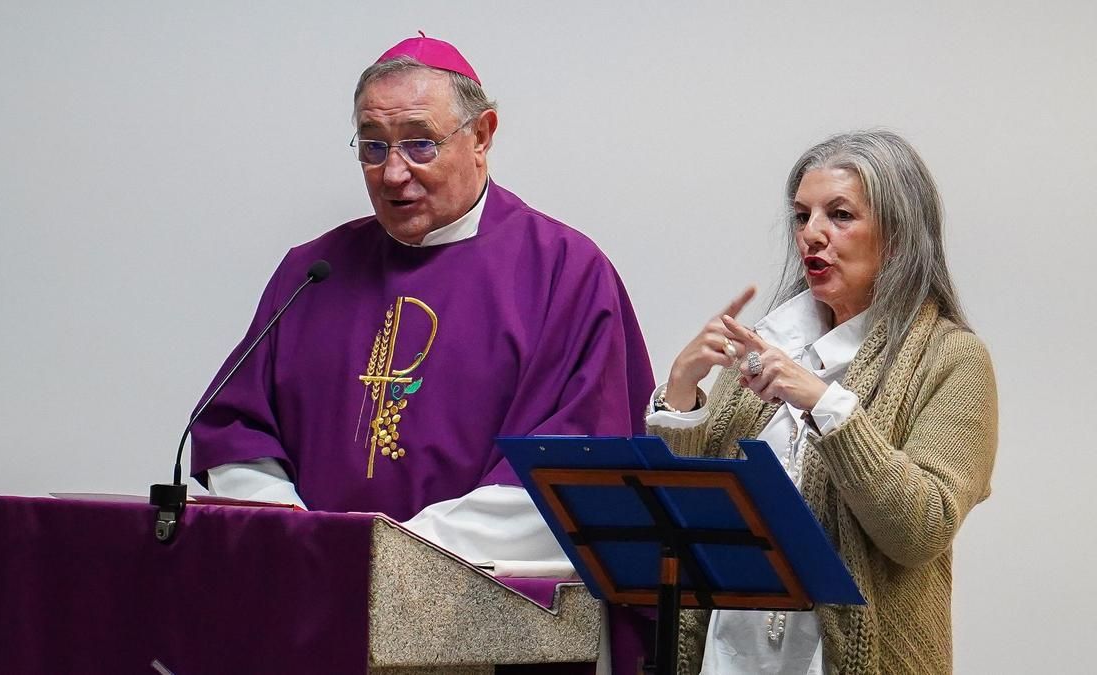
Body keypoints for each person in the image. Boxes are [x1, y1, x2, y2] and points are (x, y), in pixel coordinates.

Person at [189, 34, 654, 579]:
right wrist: (296, 533)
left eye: (420, 144)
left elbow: (576, 466)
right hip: (311, 592)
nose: (392, 173)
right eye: (373, 146)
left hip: (481, 609)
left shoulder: (563, 272)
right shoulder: (313, 271)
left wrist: (392, 552)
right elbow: (236, 427)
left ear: (481, 135)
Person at [648, 130, 998, 674]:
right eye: (801, 215)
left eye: (839, 215)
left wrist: (828, 407)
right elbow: (685, 515)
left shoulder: (954, 360)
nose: (811, 235)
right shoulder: (769, 341)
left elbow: (920, 530)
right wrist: (681, 393)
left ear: (900, 235)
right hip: (729, 653)